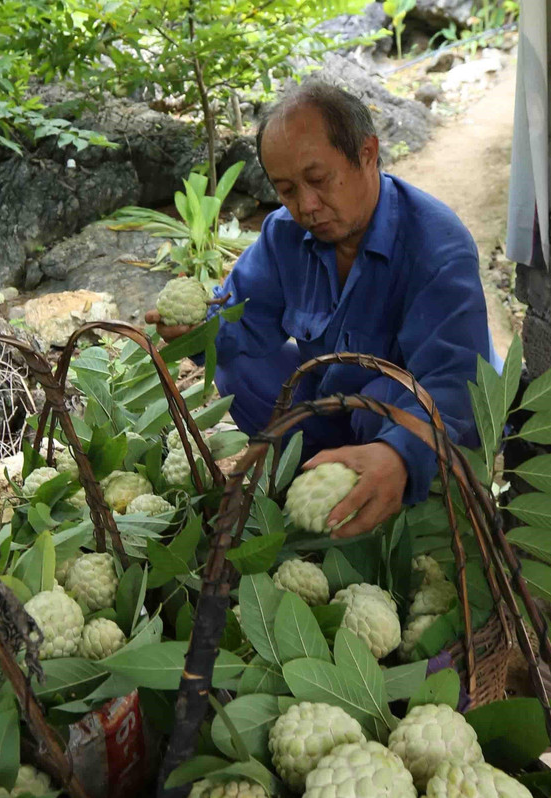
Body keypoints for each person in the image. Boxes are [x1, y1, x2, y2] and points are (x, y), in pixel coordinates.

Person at [146, 79, 499, 538]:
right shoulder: (283, 235)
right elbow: (242, 319)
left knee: (385, 404)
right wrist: (198, 329)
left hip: (414, 418)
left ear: (367, 154)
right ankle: (312, 473)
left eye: (318, 180)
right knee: (239, 367)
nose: (306, 206)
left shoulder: (438, 247)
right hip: (337, 399)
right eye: (287, 190)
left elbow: (455, 386)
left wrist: (401, 454)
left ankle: (401, 495)